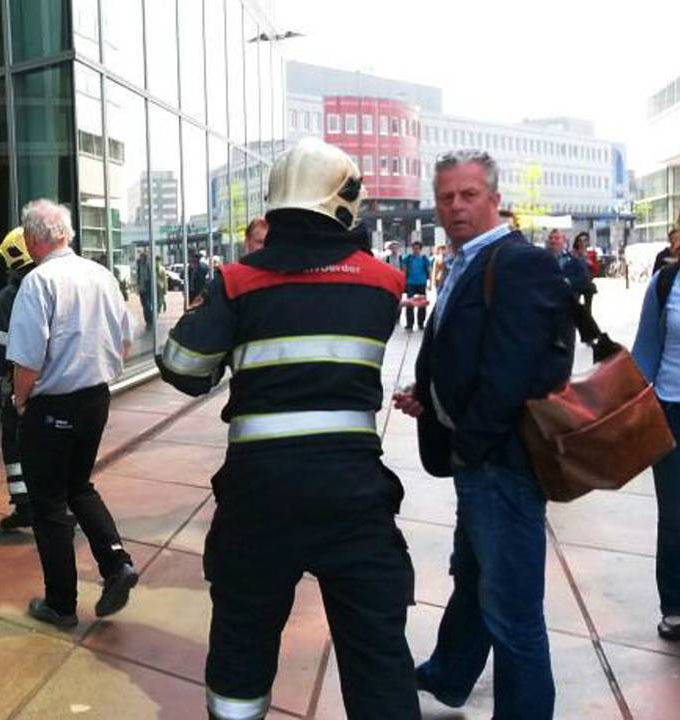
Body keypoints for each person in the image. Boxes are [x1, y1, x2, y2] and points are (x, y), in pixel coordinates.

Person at [159, 138, 419, 720]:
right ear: (343, 201)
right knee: (378, 658)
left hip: (259, 499)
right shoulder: (382, 282)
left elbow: (182, 369)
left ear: (275, 205)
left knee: (241, 648)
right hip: (353, 497)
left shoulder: (237, 281)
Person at [393, 150, 572, 719]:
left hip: (503, 463)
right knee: (472, 577)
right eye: (446, 196)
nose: (455, 206)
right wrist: (434, 400)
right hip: (479, 457)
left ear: (494, 198)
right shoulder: (466, 260)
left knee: (513, 608)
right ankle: (450, 673)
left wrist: (469, 440)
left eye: (468, 195)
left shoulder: (518, 262)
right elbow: (465, 353)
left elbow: (511, 372)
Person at [6, 198, 139, 630]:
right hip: (95, 399)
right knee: (79, 486)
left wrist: (21, 402)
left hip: (52, 407)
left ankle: (61, 604)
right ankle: (117, 562)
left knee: (47, 505)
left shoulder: (37, 282)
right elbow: (126, 343)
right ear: (67, 234)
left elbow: (26, 361)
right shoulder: (101, 275)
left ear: (30, 240)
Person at [632, 187, 680, 642]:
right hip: (677, 416)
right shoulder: (667, 282)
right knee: (678, 519)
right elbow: (644, 356)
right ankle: (678, 604)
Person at [0, 226, 36, 531]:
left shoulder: (10, 296)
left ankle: (25, 505)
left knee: (15, 444)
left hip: (23, 388)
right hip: (65, 387)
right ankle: (59, 505)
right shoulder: (59, 284)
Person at [401, 240, 432, 331]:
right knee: (409, 303)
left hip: (422, 283)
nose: (415, 250)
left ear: (420, 249)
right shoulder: (408, 258)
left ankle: (421, 323)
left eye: (417, 248)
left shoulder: (424, 258)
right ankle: (409, 324)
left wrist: (430, 283)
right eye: (414, 248)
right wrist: (403, 281)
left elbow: (429, 270)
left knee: (422, 304)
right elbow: (404, 269)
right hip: (410, 283)